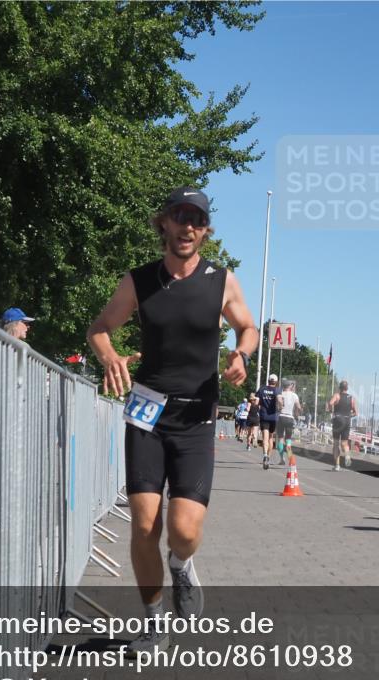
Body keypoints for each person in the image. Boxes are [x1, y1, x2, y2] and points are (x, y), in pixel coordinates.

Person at [87, 186, 258, 652]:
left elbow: (249, 326)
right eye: (179, 216)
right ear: (163, 222)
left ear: (205, 230)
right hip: (146, 414)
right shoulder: (138, 282)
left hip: (197, 418)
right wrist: (110, 357)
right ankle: (153, 618)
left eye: (197, 220)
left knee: (183, 531)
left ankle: (181, 566)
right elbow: (99, 329)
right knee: (144, 524)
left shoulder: (221, 281)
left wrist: (242, 354)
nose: (187, 226)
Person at [327, 380, 358, 471]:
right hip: (347, 421)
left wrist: (331, 411)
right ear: (347, 388)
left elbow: (330, 403)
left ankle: (337, 466)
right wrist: (348, 415)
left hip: (338, 420)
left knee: (336, 444)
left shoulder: (337, 395)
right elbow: (356, 413)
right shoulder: (352, 398)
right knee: (344, 443)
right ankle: (347, 457)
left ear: (339, 388)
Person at [275, 379, 303, 465]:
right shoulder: (294, 395)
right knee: (288, 440)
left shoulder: (280, 394)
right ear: (290, 386)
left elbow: (277, 406)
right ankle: (290, 458)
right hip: (290, 418)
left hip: (281, 417)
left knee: (280, 438)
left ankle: (281, 459)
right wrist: (298, 412)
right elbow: (298, 407)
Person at [256, 374, 281, 470]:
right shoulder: (277, 390)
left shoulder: (261, 389)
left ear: (268, 380)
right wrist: (281, 406)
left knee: (265, 438)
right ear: (276, 381)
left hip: (264, 416)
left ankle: (265, 455)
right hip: (274, 417)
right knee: (271, 438)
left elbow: (257, 402)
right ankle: (268, 458)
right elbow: (279, 400)